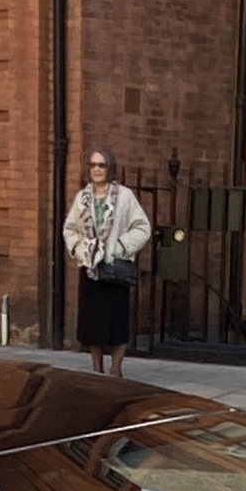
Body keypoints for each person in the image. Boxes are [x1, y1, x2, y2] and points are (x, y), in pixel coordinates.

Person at [63, 148, 151, 378]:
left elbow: (143, 227)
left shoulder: (124, 196)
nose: (97, 169)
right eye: (93, 165)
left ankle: (116, 369)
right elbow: (69, 229)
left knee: (117, 322)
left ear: (110, 168)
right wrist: (82, 249)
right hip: (91, 269)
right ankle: (96, 369)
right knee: (93, 323)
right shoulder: (83, 198)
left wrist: (120, 247)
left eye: (101, 165)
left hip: (115, 269)